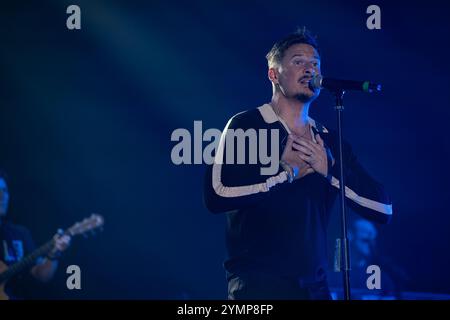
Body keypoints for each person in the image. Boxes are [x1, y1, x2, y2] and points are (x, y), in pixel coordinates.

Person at [203, 28, 393, 300]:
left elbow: (383, 208)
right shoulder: (247, 125)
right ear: (273, 74)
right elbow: (216, 195)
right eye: (298, 61)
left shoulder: (327, 139)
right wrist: (284, 174)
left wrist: (328, 170)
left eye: (314, 63)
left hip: (315, 288)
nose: (309, 69)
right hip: (257, 286)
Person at [0, 170, 71, 299]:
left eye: (5, 191)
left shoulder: (20, 234)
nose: (2, 196)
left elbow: (41, 275)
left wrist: (54, 254)